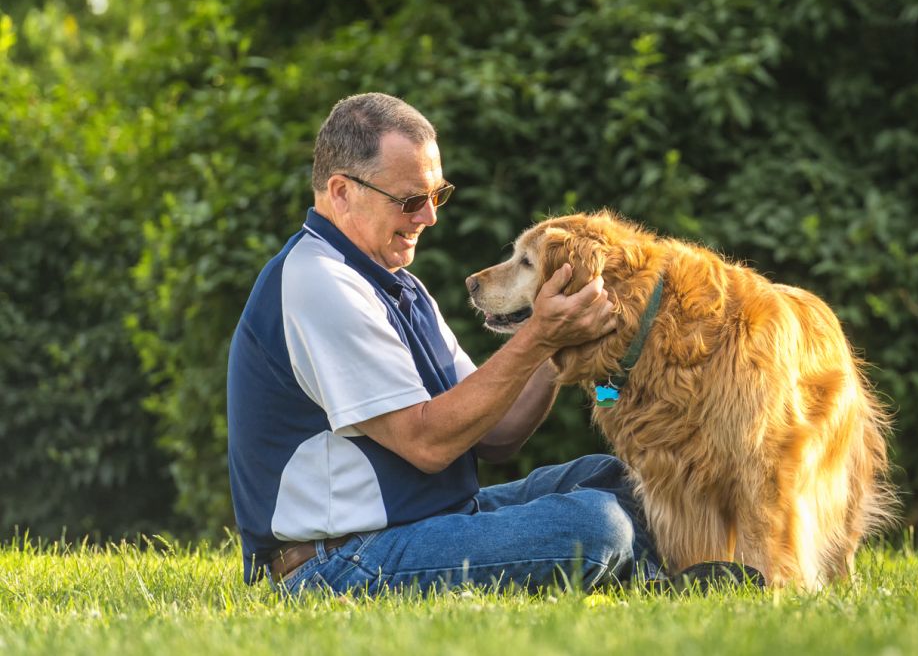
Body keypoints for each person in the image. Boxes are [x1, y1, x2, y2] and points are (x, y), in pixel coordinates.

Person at [226, 92, 663, 594]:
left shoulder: (397, 284)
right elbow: (427, 443)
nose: (429, 217)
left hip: (429, 523)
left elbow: (496, 434)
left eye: (438, 195)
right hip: (339, 559)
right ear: (341, 192)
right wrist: (540, 334)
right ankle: (656, 572)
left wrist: (555, 345)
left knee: (612, 478)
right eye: (411, 200)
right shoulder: (318, 281)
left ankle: (675, 571)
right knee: (596, 527)